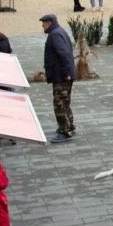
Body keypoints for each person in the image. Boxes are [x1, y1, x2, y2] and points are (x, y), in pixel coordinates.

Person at [41, 13, 75, 142]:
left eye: (43, 23)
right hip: (64, 74)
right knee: (65, 102)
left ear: (49, 23)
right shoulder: (59, 31)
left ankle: (64, 131)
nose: (42, 26)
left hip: (61, 75)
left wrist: (66, 73)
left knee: (59, 103)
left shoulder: (54, 35)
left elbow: (64, 53)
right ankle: (70, 126)